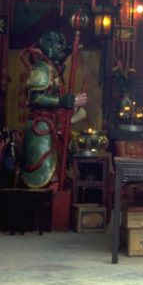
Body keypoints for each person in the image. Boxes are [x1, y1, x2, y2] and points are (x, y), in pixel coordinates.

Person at [19, 31, 88, 189]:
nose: (63, 53)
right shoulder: (42, 68)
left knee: (57, 173)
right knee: (45, 174)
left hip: (52, 124)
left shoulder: (53, 68)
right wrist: (61, 101)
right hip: (42, 128)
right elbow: (35, 98)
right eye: (60, 48)